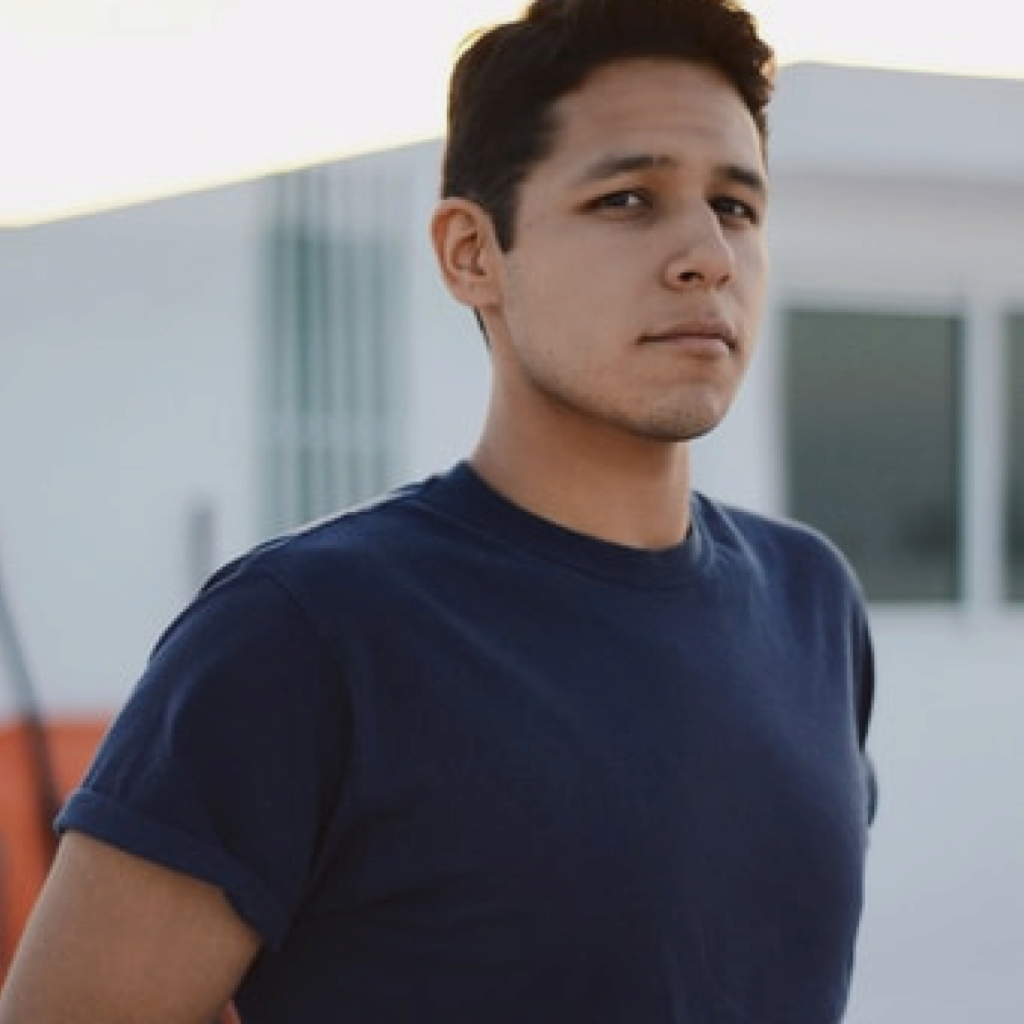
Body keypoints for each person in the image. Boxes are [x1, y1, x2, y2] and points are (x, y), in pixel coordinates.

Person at [0, 0, 877, 1020]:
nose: (707, 254)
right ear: (471, 253)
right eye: (628, 199)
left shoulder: (811, 603)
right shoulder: (305, 632)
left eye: (735, 205)